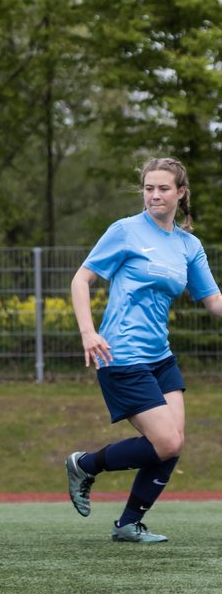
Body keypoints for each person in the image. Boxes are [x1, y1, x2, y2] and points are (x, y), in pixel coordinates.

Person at [65, 157, 222, 543]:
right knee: (166, 442)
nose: (154, 195)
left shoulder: (188, 245)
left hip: (160, 357)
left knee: (172, 444)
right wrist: (88, 332)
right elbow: (81, 280)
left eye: (163, 188)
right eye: (149, 188)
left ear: (180, 193)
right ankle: (84, 464)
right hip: (119, 354)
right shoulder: (126, 231)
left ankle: (128, 524)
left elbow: (214, 301)